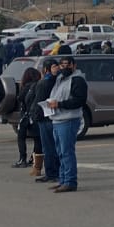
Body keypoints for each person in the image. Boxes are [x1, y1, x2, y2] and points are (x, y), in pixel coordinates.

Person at [43, 55, 88, 192]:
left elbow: (79, 101)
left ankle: (70, 181)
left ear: (73, 65)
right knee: (60, 152)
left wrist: (59, 104)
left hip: (68, 119)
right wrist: (52, 74)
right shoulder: (60, 78)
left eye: (67, 64)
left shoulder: (77, 80)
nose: (64, 67)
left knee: (67, 152)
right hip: (57, 119)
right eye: (61, 65)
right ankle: (63, 179)